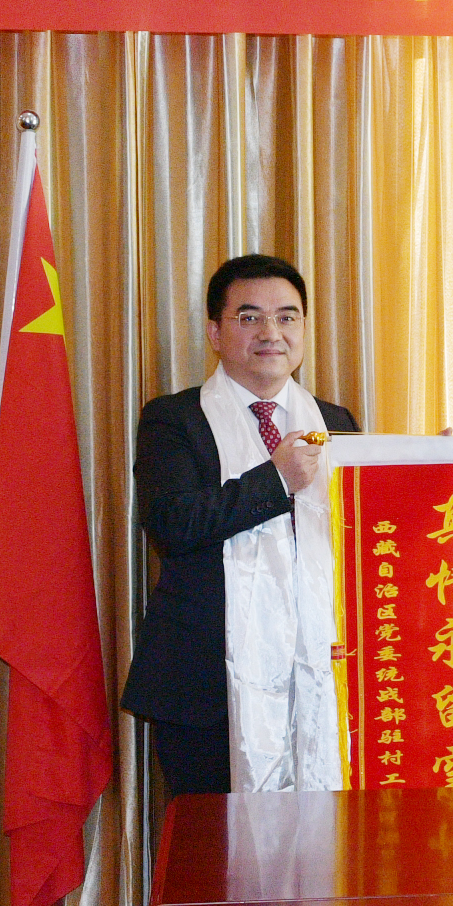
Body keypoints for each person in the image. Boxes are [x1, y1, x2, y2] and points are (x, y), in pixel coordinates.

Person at [120, 254, 359, 795]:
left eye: (287, 317)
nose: (271, 332)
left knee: (325, 840)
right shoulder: (174, 419)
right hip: (208, 688)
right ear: (215, 332)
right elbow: (173, 524)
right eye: (250, 317)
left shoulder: (335, 422)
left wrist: (428, 474)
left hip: (322, 678)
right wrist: (274, 481)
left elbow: (365, 537)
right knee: (214, 845)